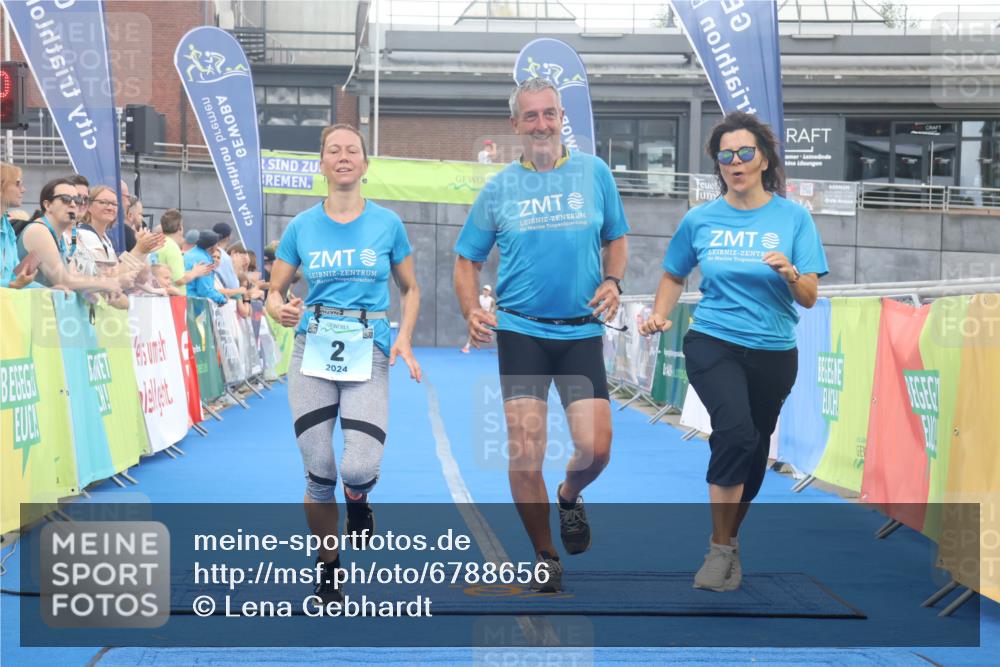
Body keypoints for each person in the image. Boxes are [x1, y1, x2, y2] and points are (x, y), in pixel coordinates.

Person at [639, 111, 828, 592]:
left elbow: (809, 295)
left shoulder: (793, 218)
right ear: (717, 165)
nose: (736, 162)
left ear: (764, 159)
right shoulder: (700, 219)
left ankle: (728, 541)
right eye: (726, 156)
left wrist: (789, 271)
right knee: (736, 433)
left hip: (773, 349)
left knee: (755, 448)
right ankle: (719, 551)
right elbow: (673, 274)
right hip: (713, 340)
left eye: (746, 153)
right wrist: (661, 315)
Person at [453, 78, 629, 592]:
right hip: (522, 331)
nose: (541, 124)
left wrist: (613, 280)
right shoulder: (499, 187)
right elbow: (467, 259)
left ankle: (570, 495)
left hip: (580, 333)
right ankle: (545, 554)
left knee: (596, 450)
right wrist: (470, 308)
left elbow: (615, 238)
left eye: (549, 114)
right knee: (525, 447)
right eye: (530, 116)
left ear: (560, 118)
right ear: (515, 125)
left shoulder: (594, 173)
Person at [265, 123, 422, 604]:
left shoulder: (387, 224)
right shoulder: (301, 226)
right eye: (333, 150)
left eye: (352, 149)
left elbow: (410, 289)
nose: (343, 156)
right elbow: (273, 291)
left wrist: (406, 340)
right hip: (312, 348)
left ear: (365, 163)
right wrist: (280, 308)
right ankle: (328, 567)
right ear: (322, 163)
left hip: (369, 347)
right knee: (318, 472)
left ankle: (359, 501)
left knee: (358, 467)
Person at [17, 178, 119, 294]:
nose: (73, 204)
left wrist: (103, 284)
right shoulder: (39, 231)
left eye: (77, 200)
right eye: (65, 199)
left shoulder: (60, 237)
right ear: (47, 205)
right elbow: (64, 280)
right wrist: (106, 283)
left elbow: (75, 276)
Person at [156, 209, 213, 295]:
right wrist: (195, 272)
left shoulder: (161, 243)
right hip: (174, 301)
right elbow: (178, 280)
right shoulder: (172, 248)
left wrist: (194, 271)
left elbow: (171, 275)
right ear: (180, 228)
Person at [1, 162, 37, 288]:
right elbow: (13, 281)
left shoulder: (7, 228)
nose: (23, 189)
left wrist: (50, 290)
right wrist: (11, 284)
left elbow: (15, 277)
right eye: (17, 183)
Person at [184, 230, 228, 305]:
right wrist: (222, 299)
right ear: (211, 247)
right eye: (216, 244)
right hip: (193, 305)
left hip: (183, 301)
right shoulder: (204, 261)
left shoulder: (188, 254)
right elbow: (204, 290)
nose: (218, 246)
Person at [460, 284, 496, 353]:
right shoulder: (479, 297)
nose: (485, 291)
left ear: (490, 292)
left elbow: (492, 309)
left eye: (487, 290)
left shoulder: (492, 300)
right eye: (484, 290)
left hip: (486, 318)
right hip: (477, 317)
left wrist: (489, 315)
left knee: (476, 330)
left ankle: (467, 347)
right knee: (475, 330)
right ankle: (467, 347)